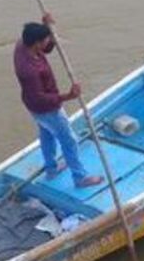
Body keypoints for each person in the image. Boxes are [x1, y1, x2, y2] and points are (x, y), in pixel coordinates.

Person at [13, 17, 103, 188]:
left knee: (47, 134)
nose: (49, 41)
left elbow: (46, 49)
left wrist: (47, 27)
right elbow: (40, 97)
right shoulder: (29, 71)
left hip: (33, 106)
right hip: (46, 108)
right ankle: (80, 177)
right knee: (68, 140)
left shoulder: (22, 45)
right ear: (36, 43)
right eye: (45, 39)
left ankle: (51, 169)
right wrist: (68, 96)